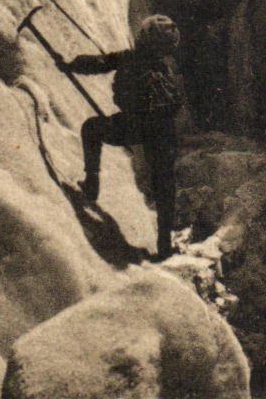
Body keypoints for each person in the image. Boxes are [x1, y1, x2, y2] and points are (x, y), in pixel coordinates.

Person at [66, 15, 185, 259]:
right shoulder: (165, 68)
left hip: (132, 125)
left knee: (92, 128)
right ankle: (164, 245)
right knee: (164, 187)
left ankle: (92, 182)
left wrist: (72, 64)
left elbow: (99, 63)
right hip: (162, 132)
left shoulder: (128, 57)